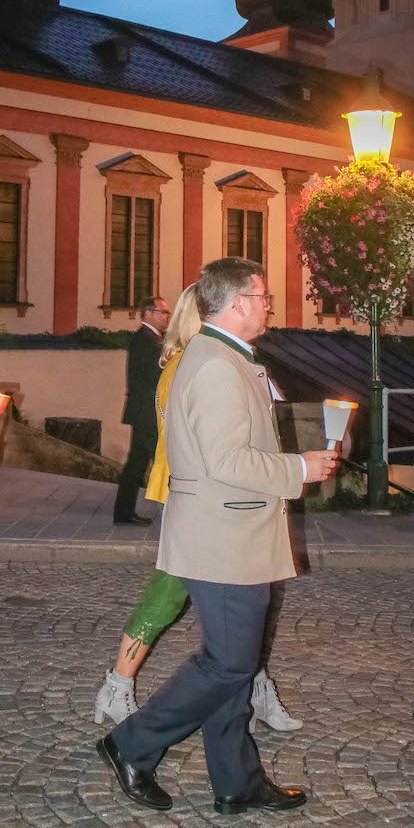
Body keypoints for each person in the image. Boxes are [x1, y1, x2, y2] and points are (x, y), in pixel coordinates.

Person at [96, 257, 338, 814]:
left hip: (233, 532)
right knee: (228, 664)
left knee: (236, 661)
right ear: (237, 304)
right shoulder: (213, 366)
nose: (270, 304)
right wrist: (299, 470)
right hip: (222, 536)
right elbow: (227, 459)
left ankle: (237, 782)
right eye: (264, 295)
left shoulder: (227, 358)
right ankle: (131, 744)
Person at [93, 284, 302, 734]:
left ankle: (251, 689)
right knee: (169, 597)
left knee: (247, 606)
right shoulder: (195, 367)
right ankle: (119, 689)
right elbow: (203, 447)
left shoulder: (226, 362)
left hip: (227, 504)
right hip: (198, 503)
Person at [113, 295, 171, 525]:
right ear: (148, 314)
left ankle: (123, 513)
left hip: (143, 412)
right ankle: (169, 513)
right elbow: (159, 375)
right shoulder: (147, 340)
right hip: (147, 413)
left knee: (136, 465)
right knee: (163, 461)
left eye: (168, 313)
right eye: (163, 312)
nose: (167, 317)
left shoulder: (148, 338)